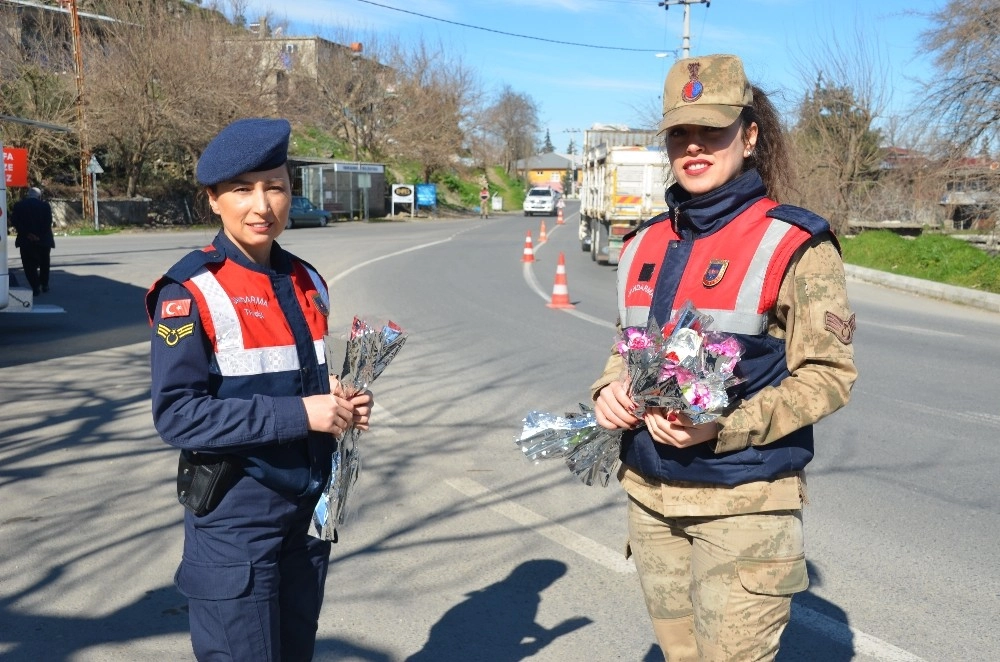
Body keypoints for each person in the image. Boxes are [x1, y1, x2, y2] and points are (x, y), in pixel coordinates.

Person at [591, 54, 857, 661]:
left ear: (750, 134)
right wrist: (608, 390)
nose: (695, 146)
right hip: (650, 499)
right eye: (681, 132)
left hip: (742, 507)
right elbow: (622, 344)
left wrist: (726, 426)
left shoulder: (794, 243)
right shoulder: (642, 243)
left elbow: (829, 376)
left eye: (712, 130)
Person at [146, 117, 373, 661]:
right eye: (242, 189)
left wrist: (340, 401)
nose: (261, 205)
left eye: (275, 186)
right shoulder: (187, 291)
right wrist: (302, 415)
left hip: (306, 511)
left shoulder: (307, 280)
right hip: (235, 519)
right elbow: (176, 416)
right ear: (213, 201)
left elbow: (301, 381)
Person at [10, 186, 55, 296]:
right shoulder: (45, 206)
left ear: (28, 195)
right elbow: (47, 222)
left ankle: (35, 286)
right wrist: (38, 235)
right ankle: (44, 284)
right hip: (43, 240)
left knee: (28, 265)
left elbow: (15, 221)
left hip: (26, 240)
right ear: (39, 196)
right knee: (44, 263)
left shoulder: (19, 206)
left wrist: (28, 234)